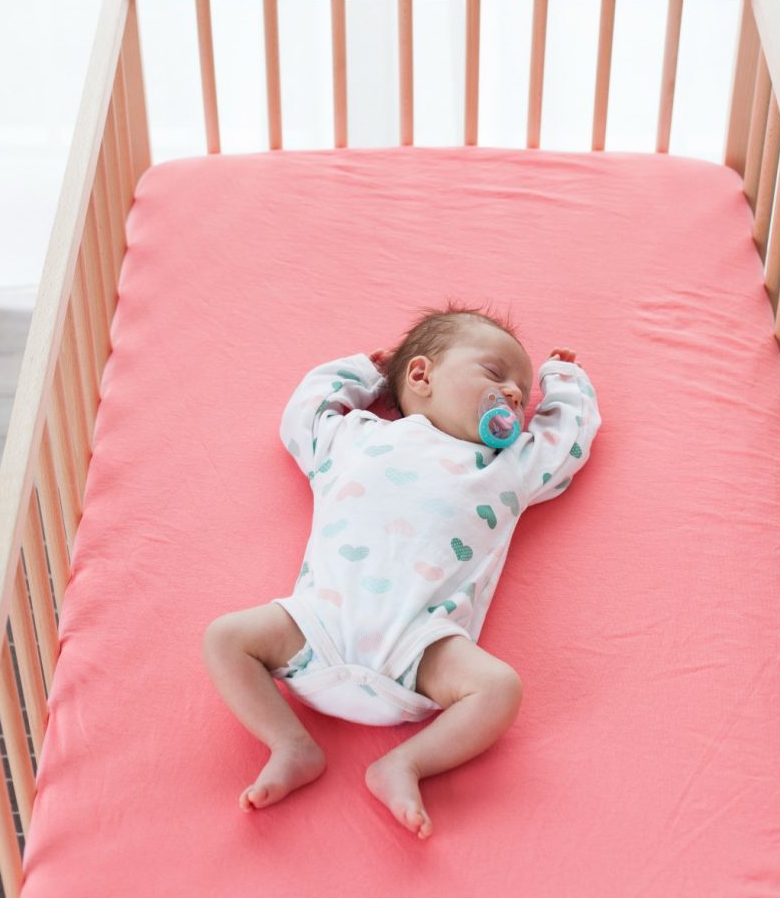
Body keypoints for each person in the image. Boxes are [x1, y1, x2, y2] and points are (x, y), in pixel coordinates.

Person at [202, 304, 601, 839]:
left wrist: (565, 384)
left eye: (522, 393)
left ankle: (405, 764)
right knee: (226, 637)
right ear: (420, 375)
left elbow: (566, 447)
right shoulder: (356, 439)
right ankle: (290, 743)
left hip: (421, 645)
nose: (512, 394)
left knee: (499, 688)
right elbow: (303, 414)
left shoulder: (506, 468)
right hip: (318, 624)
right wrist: (363, 374)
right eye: (495, 373)